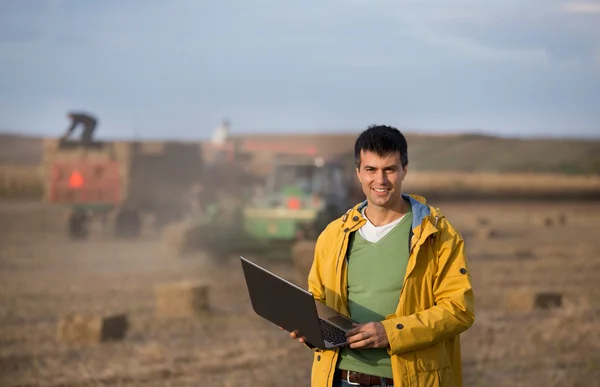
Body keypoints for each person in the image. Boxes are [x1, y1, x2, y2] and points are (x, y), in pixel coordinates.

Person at [286, 125, 475, 387]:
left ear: (404, 170)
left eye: (389, 169)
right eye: (371, 170)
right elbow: (318, 300)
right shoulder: (333, 235)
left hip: (408, 380)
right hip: (340, 379)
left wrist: (391, 333)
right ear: (358, 173)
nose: (380, 180)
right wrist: (307, 330)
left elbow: (458, 310)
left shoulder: (437, 234)